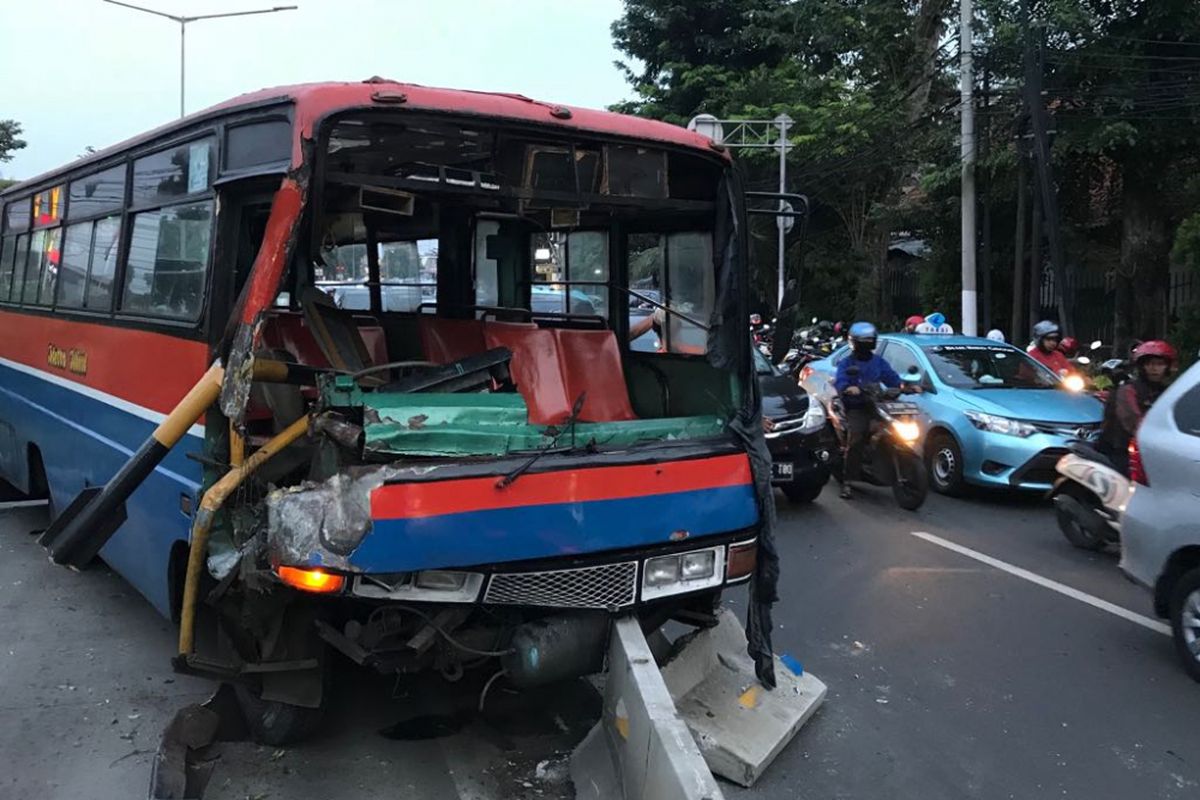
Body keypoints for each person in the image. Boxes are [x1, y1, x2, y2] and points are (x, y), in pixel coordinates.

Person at [833, 321, 901, 500]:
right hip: (856, 407)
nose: (866, 345)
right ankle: (848, 482)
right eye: (863, 341)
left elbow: (893, 379)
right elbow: (840, 382)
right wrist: (849, 388)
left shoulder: (879, 362)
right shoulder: (847, 363)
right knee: (856, 437)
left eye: (869, 341)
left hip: (877, 405)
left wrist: (908, 386)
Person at [1098, 340, 1176, 475]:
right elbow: (1134, 422)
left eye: (1160, 364)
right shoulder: (1128, 390)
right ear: (1142, 366)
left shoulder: (1168, 391)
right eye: (1149, 364)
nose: (1154, 368)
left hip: (1152, 451)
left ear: (1167, 367)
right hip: (1121, 451)